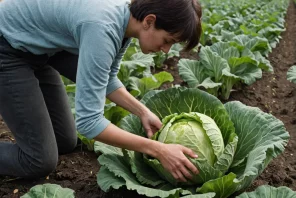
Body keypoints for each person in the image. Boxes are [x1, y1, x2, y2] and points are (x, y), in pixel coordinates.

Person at [0, 0, 202, 182]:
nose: (166, 50)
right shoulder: (103, 27)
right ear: (149, 21)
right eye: (167, 40)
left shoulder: (125, 23)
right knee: (38, 161)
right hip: (7, 46)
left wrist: (142, 112)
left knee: (65, 140)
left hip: (41, 50)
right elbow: (89, 123)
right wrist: (158, 150)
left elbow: (107, 79)